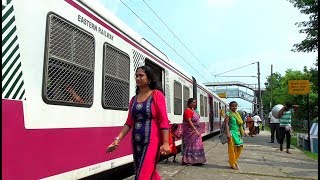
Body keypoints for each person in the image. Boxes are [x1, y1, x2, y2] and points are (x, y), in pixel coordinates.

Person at [106, 65, 170, 180]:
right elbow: (129, 122)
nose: (138, 78)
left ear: (149, 79)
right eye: (136, 76)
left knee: (142, 175)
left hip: (152, 141)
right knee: (147, 171)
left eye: (141, 76)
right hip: (136, 142)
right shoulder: (133, 99)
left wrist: (165, 142)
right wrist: (117, 139)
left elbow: (164, 120)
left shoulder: (156, 95)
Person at [181, 98, 206, 165]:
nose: (195, 104)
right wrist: (195, 130)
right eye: (193, 102)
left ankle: (197, 160)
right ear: (189, 103)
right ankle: (188, 160)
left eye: (195, 102)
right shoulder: (188, 111)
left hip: (196, 131)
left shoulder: (193, 111)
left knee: (197, 145)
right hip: (190, 132)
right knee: (190, 146)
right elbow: (189, 121)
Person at [225, 101, 244, 170]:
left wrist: (242, 132)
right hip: (231, 133)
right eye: (233, 106)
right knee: (232, 149)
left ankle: (233, 161)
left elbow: (240, 124)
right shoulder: (228, 113)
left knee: (240, 147)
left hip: (237, 133)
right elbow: (226, 123)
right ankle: (232, 163)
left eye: (235, 106)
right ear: (230, 107)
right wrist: (227, 133)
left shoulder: (237, 114)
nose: (234, 107)